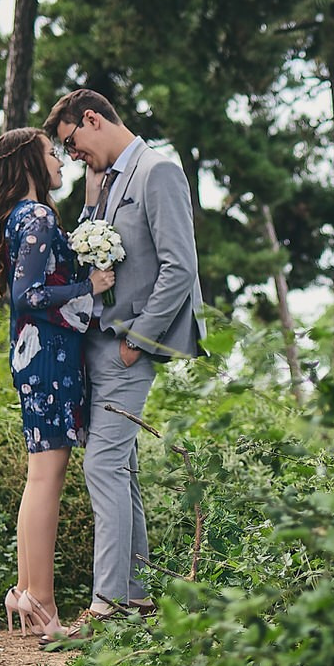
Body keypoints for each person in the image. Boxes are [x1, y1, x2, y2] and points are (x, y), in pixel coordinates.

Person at [42, 89, 204, 638]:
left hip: (127, 346)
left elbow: (179, 268)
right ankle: (134, 598)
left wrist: (138, 341)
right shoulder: (104, 181)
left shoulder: (158, 173)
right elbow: (94, 251)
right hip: (95, 344)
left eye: (73, 143)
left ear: (92, 119)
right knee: (121, 467)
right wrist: (89, 197)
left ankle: (107, 604)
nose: (73, 155)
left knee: (102, 466)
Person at [0, 126, 114, 635]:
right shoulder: (34, 216)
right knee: (46, 479)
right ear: (29, 163)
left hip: (37, 355)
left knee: (41, 478)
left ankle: (27, 594)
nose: (59, 162)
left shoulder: (23, 216)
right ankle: (44, 605)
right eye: (52, 154)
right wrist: (91, 284)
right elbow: (28, 295)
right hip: (49, 356)